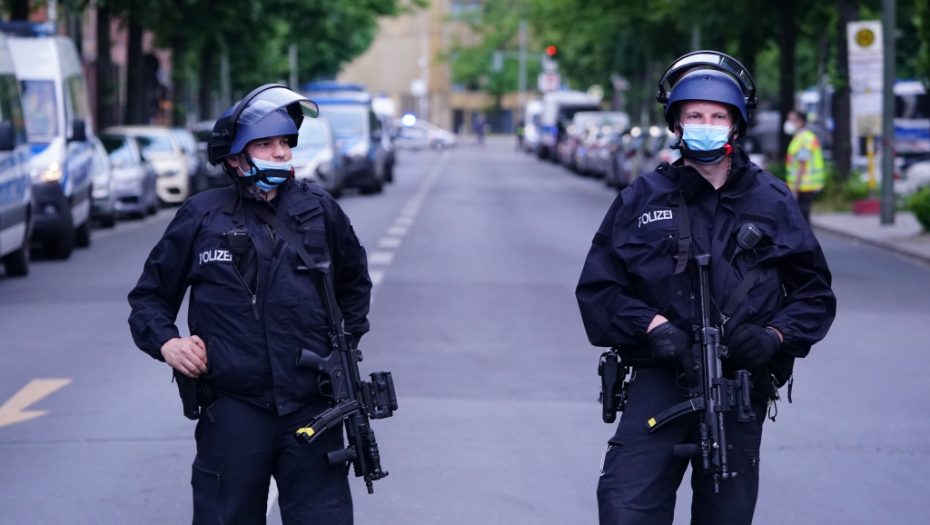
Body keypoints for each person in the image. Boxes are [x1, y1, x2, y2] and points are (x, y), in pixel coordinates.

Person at [576, 52, 836, 525]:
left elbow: (814, 296)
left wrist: (773, 337)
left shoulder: (772, 200)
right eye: (695, 115)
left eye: (718, 116)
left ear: (735, 125)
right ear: (676, 122)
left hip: (738, 386)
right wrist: (652, 326)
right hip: (658, 377)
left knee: (726, 516)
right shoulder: (641, 197)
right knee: (625, 507)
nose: (706, 124)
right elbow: (598, 289)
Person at [127, 84, 372, 524]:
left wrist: (342, 350)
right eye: (266, 143)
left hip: (313, 409)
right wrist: (168, 345)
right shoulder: (201, 216)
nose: (280, 153)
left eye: (285, 142)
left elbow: (355, 285)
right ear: (236, 157)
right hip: (234, 410)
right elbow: (148, 298)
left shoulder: (320, 210)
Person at [784, 109, 825, 222]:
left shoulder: (804, 139)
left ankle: (807, 240)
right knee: (802, 219)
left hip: (804, 186)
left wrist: (795, 189)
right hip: (803, 185)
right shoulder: (802, 137)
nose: (788, 123)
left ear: (800, 122)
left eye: (791, 120)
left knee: (803, 220)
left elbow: (802, 164)